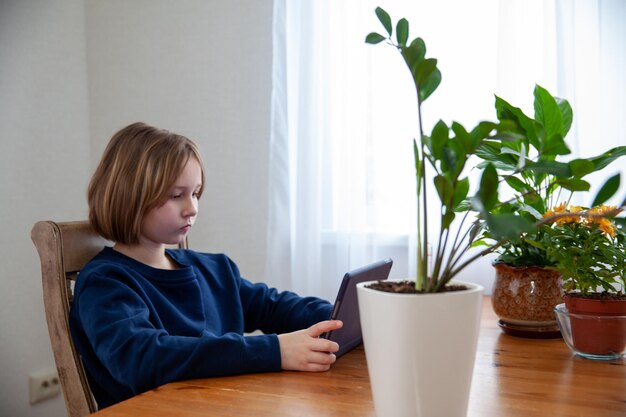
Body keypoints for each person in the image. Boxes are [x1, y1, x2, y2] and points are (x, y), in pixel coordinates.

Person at [69, 122, 342, 409]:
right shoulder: (105, 283)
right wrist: (275, 350)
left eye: (196, 193)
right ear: (129, 195)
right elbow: (144, 358)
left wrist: (341, 318)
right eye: (176, 195)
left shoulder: (213, 269)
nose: (192, 208)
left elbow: (272, 306)